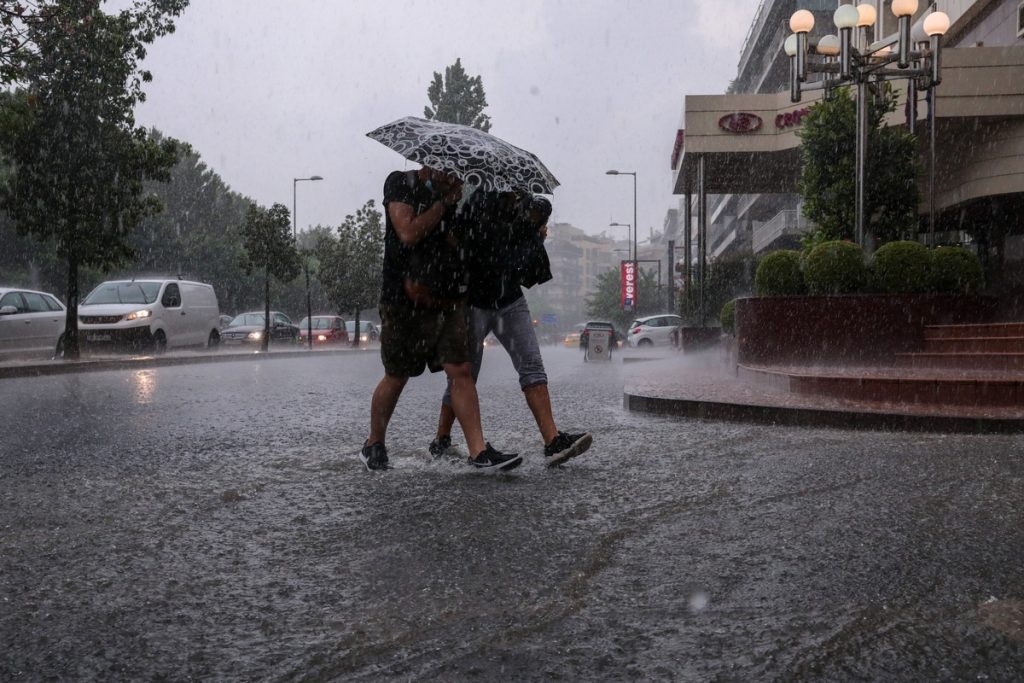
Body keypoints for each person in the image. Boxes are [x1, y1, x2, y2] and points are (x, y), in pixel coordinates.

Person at [361, 166, 522, 472]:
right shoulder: (400, 183)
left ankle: (479, 452)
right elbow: (407, 232)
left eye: (456, 172)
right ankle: (374, 443)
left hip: (445, 299)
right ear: (430, 164)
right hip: (403, 300)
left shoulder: (449, 197)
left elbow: (452, 243)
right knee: (397, 374)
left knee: (461, 369)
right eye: (448, 171)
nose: (454, 176)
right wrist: (443, 204)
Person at [430, 191, 593, 467]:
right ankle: (442, 439)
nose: (518, 194)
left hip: (510, 300)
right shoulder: (479, 203)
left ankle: (552, 441)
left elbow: (541, 209)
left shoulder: (524, 207)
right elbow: (478, 248)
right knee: (464, 375)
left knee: (532, 364)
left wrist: (534, 223)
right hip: (474, 301)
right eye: (513, 189)